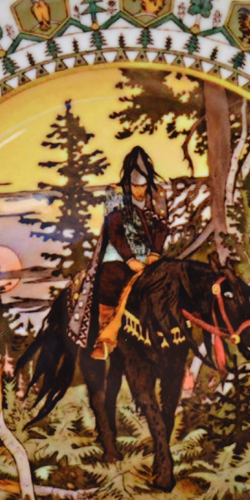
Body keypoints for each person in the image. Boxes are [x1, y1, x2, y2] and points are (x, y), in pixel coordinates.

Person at [91, 146, 169, 359]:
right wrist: (129, 259)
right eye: (136, 186)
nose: (140, 191)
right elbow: (114, 230)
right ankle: (105, 336)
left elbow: (162, 227)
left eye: (143, 186)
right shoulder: (115, 194)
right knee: (110, 278)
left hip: (149, 253)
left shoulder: (158, 194)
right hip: (119, 252)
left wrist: (155, 253)